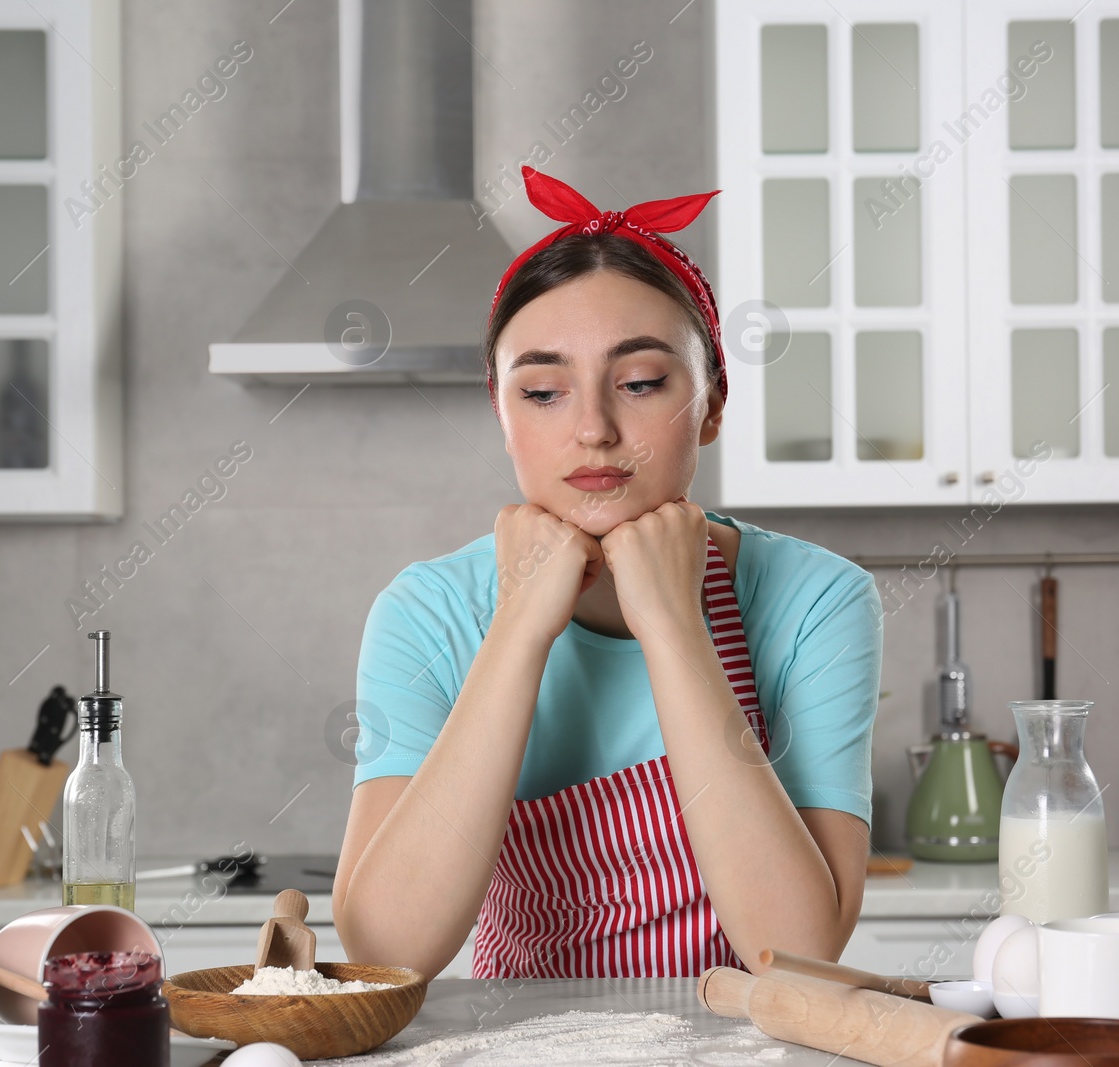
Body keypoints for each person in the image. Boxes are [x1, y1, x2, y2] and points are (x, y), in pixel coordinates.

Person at [332, 166, 883, 981]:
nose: (593, 428)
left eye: (640, 383)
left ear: (714, 402)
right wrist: (519, 625)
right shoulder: (429, 611)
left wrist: (672, 624)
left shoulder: (817, 600)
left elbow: (795, 953)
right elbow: (386, 950)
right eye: (545, 391)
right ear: (502, 413)